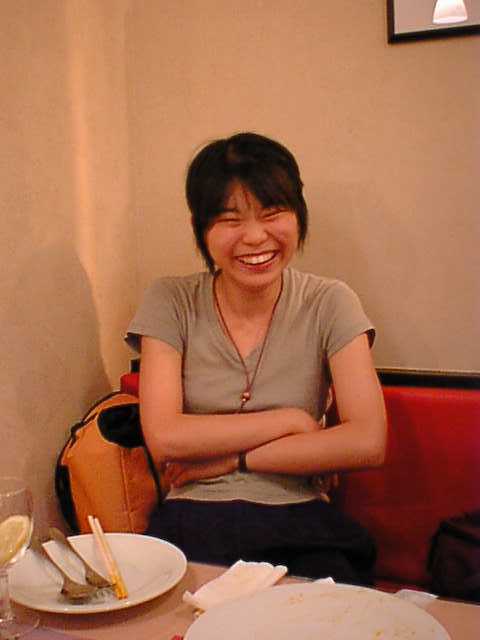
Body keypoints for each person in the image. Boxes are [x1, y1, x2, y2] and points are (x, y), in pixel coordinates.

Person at [125, 132, 386, 584]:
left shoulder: (330, 302)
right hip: (194, 517)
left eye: (272, 213)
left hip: (301, 520)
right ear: (201, 228)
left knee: (335, 611)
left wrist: (233, 461)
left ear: (298, 214)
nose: (254, 236)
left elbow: (368, 441)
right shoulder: (170, 301)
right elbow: (164, 436)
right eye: (230, 220)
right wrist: (292, 421)